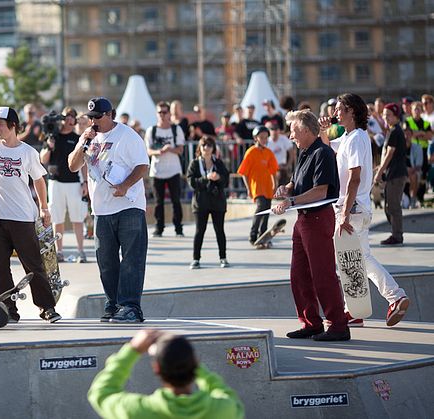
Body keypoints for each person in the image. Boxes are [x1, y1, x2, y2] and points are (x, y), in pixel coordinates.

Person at [0, 96, 61, 323]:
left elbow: (39, 180)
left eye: (0, 124)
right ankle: (8, 310)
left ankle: (47, 308)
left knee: (33, 265)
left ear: (13, 126)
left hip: (23, 217)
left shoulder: (27, 152)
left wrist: (44, 208)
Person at [324, 93, 410, 328]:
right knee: (350, 258)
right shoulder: (350, 136)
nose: (335, 113)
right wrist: (322, 130)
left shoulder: (356, 138)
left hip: (351, 208)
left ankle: (395, 296)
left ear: (352, 111)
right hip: (354, 208)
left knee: (355, 258)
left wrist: (344, 212)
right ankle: (353, 309)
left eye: (340, 109)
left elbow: (354, 177)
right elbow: (327, 148)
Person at [68, 97, 149, 323]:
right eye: (90, 117)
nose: (93, 121)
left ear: (110, 114)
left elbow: (143, 166)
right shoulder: (88, 137)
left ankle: (131, 306)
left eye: (97, 117)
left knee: (131, 258)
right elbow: (72, 165)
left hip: (129, 205)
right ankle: (113, 303)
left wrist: (124, 186)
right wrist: (82, 142)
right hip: (102, 209)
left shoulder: (127, 136)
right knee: (106, 261)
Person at [273, 109, 348, 341]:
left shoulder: (322, 153)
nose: (290, 136)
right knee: (299, 275)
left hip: (316, 218)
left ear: (305, 130)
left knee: (322, 274)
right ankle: (311, 322)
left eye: (293, 130)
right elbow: (297, 182)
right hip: (303, 219)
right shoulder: (305, 152)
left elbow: (320, 190)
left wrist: (291, 200)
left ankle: (338, 325)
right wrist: (287, 189)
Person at [87, 329, 244, 419]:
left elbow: (101, 393)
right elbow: (229, 397)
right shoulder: (223, 410)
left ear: (156, 368)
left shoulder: (138, 411)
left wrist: (133, 350)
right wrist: (196, 367)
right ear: (194, 364)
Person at [40, 106, 88, 262]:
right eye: (67, 116)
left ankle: (81, 251)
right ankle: (59, 251)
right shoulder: (53, 136)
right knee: (57, 219)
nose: (69, 119)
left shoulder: (77, 138)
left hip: (74, 182)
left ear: (74, 120)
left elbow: (84, 163)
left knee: (77, 218)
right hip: (55, 182)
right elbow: (43, 160)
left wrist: (85, 182)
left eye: (72, 117)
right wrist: (49, 145)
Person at [186, 136, 230, 269]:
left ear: (213, 148)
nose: (206, 148)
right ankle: (196, 259)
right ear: (199, 147)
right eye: (204, 145)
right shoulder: (194, 163)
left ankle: (223, 258)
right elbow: (191, 182)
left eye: (209, 145)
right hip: (201, 203)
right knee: (200, 231)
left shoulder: (218, 163)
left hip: (217, 202)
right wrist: (206, 178)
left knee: (219, 231)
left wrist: (218, 178)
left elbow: (226, 180)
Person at [145, 101, 185, 238]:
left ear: (169, 113)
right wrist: (159, 151)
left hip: (173, 170)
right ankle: (159, 227)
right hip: (157, 171)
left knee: (176, 200)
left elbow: (180, 149)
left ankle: (178, 228)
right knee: (158, 201)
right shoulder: (152, 130)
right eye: (159, 112)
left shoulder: (176, 129)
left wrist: (170, 149)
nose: (162, 115)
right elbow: (148, 150)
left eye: (164, 112)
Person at [237, 126, 278, 246]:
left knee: (267, 211)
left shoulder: (268, 153)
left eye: (266, 137)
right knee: (261, 209)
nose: (264, 140)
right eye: (262, 137)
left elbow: (273, 171)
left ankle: (263, 234)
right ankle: (253, 234)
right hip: (256, 187)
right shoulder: (250, 152)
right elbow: (243, 172)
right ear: (256, 138)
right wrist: (248, 189)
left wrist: (274, 185)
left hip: (267, 187)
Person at [375, 103, 408, 246]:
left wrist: (380, 171)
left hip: (396, 174)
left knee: (393, 206)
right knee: (390, 205)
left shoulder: (395, 131)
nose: (385, 117)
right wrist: (380, 168)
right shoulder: (392, 130)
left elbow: (389, 153)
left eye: (388, 115)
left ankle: (397, 235)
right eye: (384, 115)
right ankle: (396, 233)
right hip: (393, 173)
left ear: (396, 116)